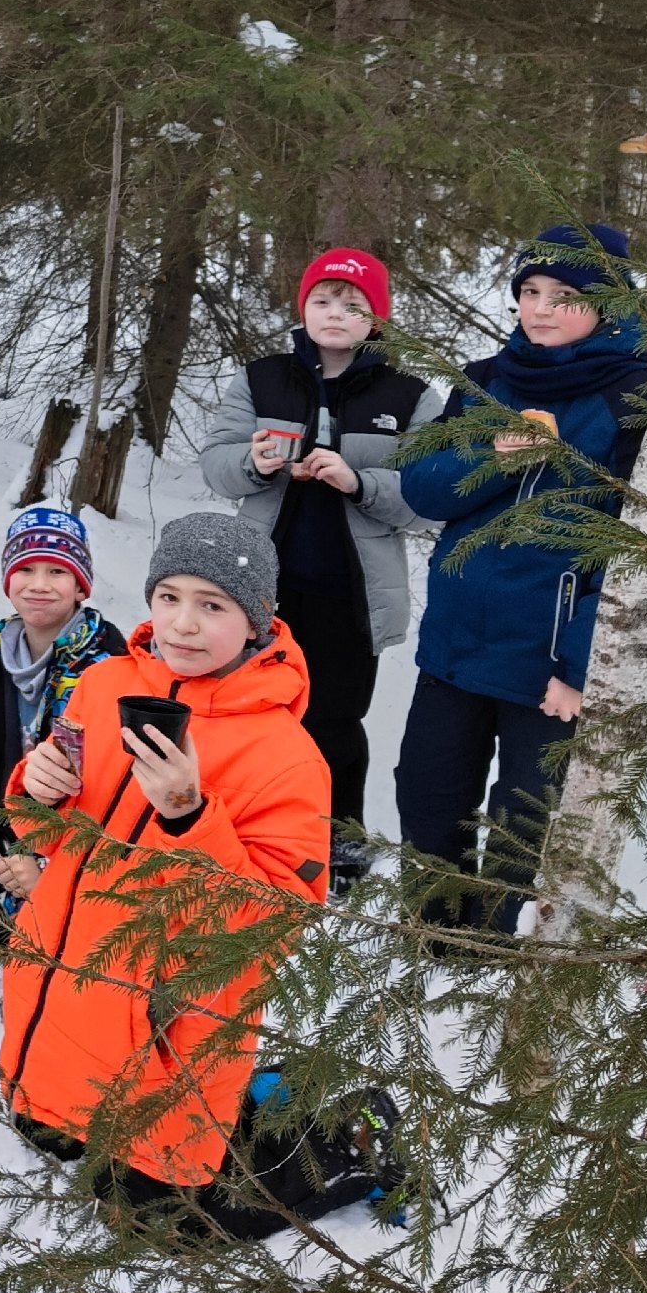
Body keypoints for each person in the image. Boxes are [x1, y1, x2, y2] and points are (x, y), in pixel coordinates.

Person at [0, 513, 330, 1224]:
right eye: (169, 597)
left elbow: (275, 919)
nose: (182, 624)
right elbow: (46, 828)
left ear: (257, 621)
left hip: (162, 1018)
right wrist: (37, 784)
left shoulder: (286, 755)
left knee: (156, 1218)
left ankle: (327, 1154)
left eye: (213, 606)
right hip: (61, 980)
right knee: (43, 1133)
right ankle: (68, 1109)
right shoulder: (103, 684)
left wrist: (187, 816)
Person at [394, 223, 647, 935]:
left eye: (563, 295)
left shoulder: (633, 400)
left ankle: (496, 967)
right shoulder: (484, 382)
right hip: (456, 643)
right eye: (529, 292)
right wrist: (494, 456)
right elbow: (422, 491)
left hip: (547, 667)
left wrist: (579, 664)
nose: (539, 308)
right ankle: (434, 945)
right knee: (425, 796)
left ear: (608, 304)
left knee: (522, 829)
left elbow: (637, 550)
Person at [198, 248, 440, 883]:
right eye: (324, 301)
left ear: (376, 320)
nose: (337, 314)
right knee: (254, 711)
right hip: (262, 587)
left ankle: (341, 842)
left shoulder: (410, 396)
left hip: (352, 596)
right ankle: (251, 832)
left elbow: (430, 497)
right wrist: (257, 463)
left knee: (334, 720)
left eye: (354, 305)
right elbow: (217, 466)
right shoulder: (262, 378)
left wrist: (360, 483)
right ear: (302, 308)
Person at [0, 505, 126, 911]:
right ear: (8, 581)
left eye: (57, 572)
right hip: (0, 843)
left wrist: (44, 868)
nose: (39, 585)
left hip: (78, 858)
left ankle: (56, 916)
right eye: (25, 570)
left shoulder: (109, 665)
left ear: (80, 586)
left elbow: (116, 795)